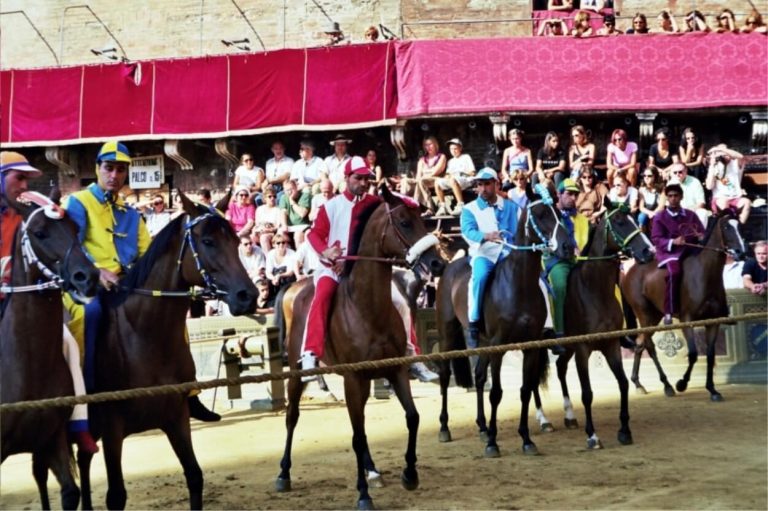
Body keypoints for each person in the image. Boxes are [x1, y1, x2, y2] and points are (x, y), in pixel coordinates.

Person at [63, 141, 220, 422]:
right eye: (109, 168)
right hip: (85, 284)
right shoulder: (78, 202)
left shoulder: (130, 213)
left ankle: (189, 392)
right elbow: (71, 245)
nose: (114, 175)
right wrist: (98, 271)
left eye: (121, 170)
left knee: (172, 315)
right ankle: (85, 393)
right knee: (93, 313)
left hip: (125, 284)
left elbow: (147, 254)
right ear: (97, 169)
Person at [0, 151, 99, 454]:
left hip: (22, 303)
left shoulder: (28, 214)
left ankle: (79, 425)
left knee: (67, 342)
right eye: (19, 177)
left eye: (27, 178)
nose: (24, 184)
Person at [299, 156, 382, 374]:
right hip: (332, 267)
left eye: (367, 179)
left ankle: (413, 354)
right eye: (358, 178)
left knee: (398, 299)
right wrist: (326, 252)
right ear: (346, 178)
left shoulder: (376, 204)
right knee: (323, 295)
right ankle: (310, 352)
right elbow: (314, 234)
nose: (364, 183)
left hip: (365, 270)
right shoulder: (331, 206)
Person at [459, 167, 521, 348]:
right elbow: (467, 231)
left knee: (538, 279)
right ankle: (473, 323)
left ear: (496, 184)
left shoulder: (512, 206)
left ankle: (547, 326)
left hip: (509, 253)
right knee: (478, 278)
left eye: (487, 184)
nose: (483, 188)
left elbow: (520, 231)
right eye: (480, 184)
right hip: (484, 254)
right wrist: (486, 236)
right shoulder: (469, 209)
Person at [651, 182, 706, 325]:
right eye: (670, 196)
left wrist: (700, 236)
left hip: (691, 250)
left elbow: (701, 232)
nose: (673, 198)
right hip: (670, 253)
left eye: (676, 195)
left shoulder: (691, 214)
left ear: (681, 197)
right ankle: (669, 311)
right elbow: (656, 239)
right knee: (674, 273)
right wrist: (673, 242)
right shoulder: (659, 217)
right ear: (667, 198)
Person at [544, 178, 588, 345]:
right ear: (559, 194)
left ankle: (618, 330)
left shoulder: (583, 219)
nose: (573, 198)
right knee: (560, 287)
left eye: (576, 195)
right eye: (569, 194)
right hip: (557, 261)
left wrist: (580, 250)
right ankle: (559, 332)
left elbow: (584, 241)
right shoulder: (550, 216)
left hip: (579, 261)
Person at [705, 144, 751, 224]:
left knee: (747, 202)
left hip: (736, 198)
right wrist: (712, 165)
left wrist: (722, 150)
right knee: (724, 202)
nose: (724, 155)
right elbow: (709, 186)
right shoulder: (715, 166)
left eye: (726, 152)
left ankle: (739, 226)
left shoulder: (735, 163)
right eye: (720, 153)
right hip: (720, 198)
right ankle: (726, 226)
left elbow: (740, 156)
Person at [436, 138, 475, 216]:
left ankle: (460, 205)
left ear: (460, 148)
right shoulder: (450, 161)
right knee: (437, 182)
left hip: (466, 179)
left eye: (455, 149)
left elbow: (472, 172)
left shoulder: (466, 157)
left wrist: (461, 174)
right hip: (453, 180)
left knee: (453, 180)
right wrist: (447, 176)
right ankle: (443, 207)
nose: (453, 151)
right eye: (451, 149)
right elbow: (447, 174)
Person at [413, 136, 447, 217]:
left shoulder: (441, 156)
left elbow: (435, 172)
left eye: (430, 144)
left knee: (421, 180)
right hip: (422, 180)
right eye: (426, 145)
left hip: (436, 180)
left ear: (435, 144)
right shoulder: (422, 160)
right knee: (405, 182)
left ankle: (429, 208)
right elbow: (418, 176)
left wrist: (425, 173)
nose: (428, 147)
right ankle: (406, 206)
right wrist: (426, 173)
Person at [253, 186, 287, 252]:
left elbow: (277, 227)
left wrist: (267, 230)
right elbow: (257, 224)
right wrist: (256, 230)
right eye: (270, 196)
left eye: (274, 196)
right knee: (251, 237)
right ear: (265, 198)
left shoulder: (278, 209)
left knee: (264, 238)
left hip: (272, 233)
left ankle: (268, 259)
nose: (272, 198)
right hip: (260, 231)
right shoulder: (259, 209)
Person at [279, 178, 312, 246]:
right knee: (280, 234)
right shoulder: (283, 197)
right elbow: (283, 212)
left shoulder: (305, 195)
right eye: (287, 190)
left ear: (296, 188)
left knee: (298, 235)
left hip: (303, 226)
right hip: (290, 226)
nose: (289, 192)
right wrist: (284, 225)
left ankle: (299, 256)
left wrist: (292, 201)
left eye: (291, 189)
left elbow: (302, 213)